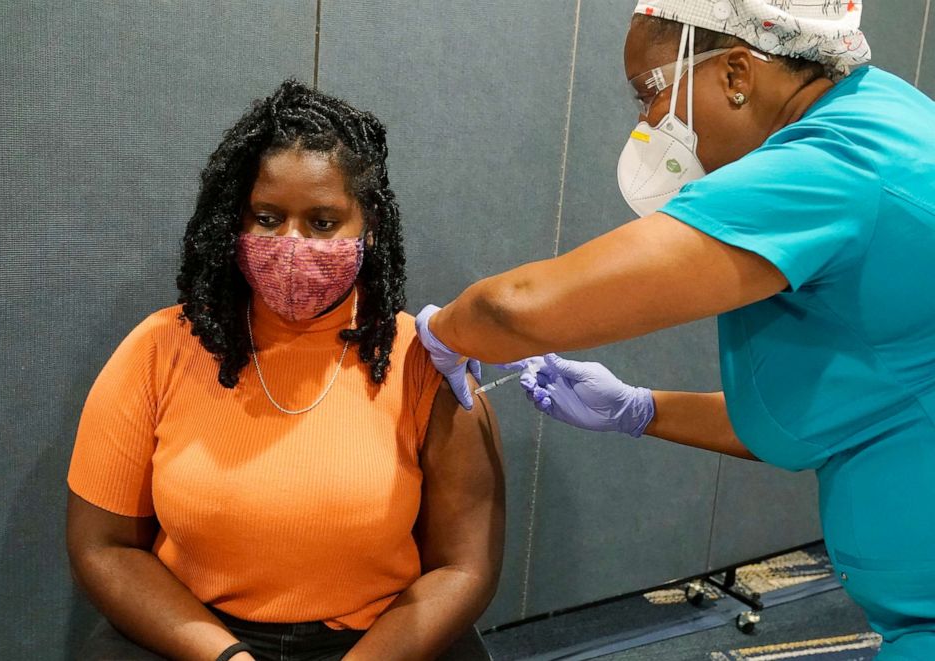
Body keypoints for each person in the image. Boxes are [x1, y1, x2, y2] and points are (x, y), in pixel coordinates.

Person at [414, 1, 935, 659]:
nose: (648, 122)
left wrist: (441, 331)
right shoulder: (882, 115)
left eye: (649, 93)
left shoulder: (833, 166)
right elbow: (848, 406)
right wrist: (641, 408)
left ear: (737, 72)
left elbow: (522, 308)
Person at [67, 79, 504, 661]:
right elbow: (104, 548)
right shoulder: (160, 348)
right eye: (267, 218)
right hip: (195, 636)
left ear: (368, 227)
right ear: (234, 222)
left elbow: (465, 566)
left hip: (381, 641)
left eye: (323, 222)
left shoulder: (424, 361)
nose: (291, 244)